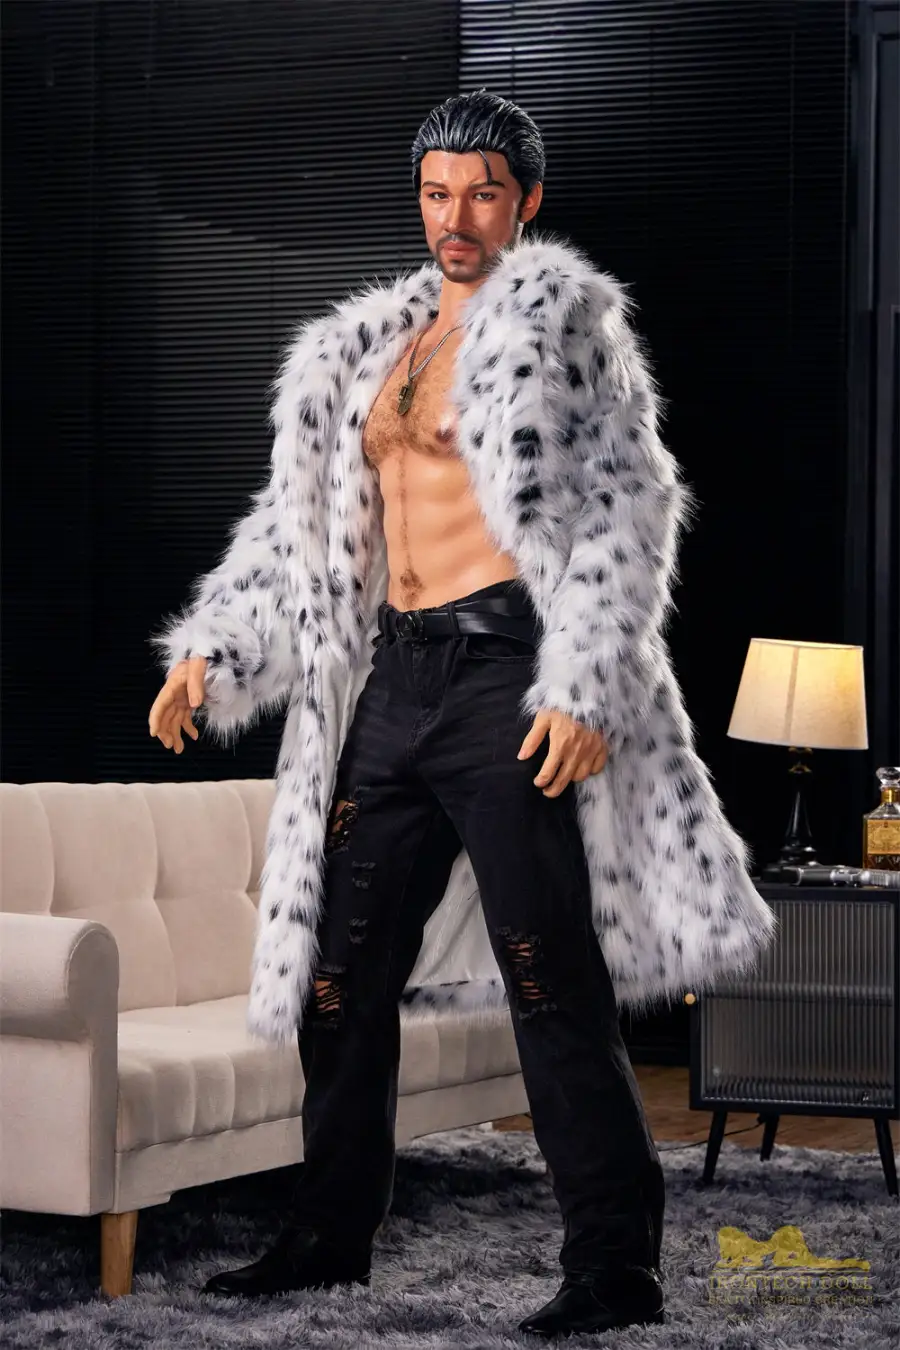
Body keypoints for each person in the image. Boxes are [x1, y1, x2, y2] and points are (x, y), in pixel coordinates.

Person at [148, 89, 775, 1337]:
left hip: (507, 680)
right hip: (394, 684)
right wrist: (211, 646)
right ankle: (329, 1234)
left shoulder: (565, 324)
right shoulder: (370, 351)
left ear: (525, 200)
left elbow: (630, 505)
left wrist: (584, 685)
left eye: (483, 193)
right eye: (438, 193)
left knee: (550, 978)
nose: (458, 216)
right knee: (339, 974)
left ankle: (614, 1267)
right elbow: (297, 524)